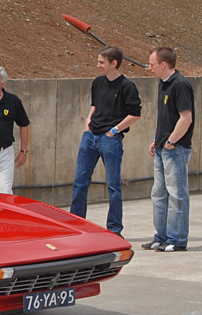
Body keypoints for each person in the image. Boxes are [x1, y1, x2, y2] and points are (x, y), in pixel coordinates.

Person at [69, 47, 142, 236]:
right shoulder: (98, 82)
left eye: (101, 62)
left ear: (114, 63)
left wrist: (114, 130)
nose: (98, 65)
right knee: (79, 182)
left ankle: (114, 229)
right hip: (90, 136)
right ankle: (76, 225)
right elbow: (95, 104)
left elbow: (135, 114)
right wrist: (88, 121)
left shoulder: (127, 86)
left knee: (113, 185)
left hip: (110, 139)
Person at [143, 47, 194, 252]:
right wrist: (157, 139)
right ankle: (161, 236)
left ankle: (177, 239)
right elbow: (165, 117)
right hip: (162, 148)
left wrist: (171, 141)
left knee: (177, 194)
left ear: (163, 64)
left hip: (176, 149)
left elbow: (186, 118)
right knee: (159, 193)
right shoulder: (162, 84)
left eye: (151, 64)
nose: (149, 68)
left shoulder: (180, 85)